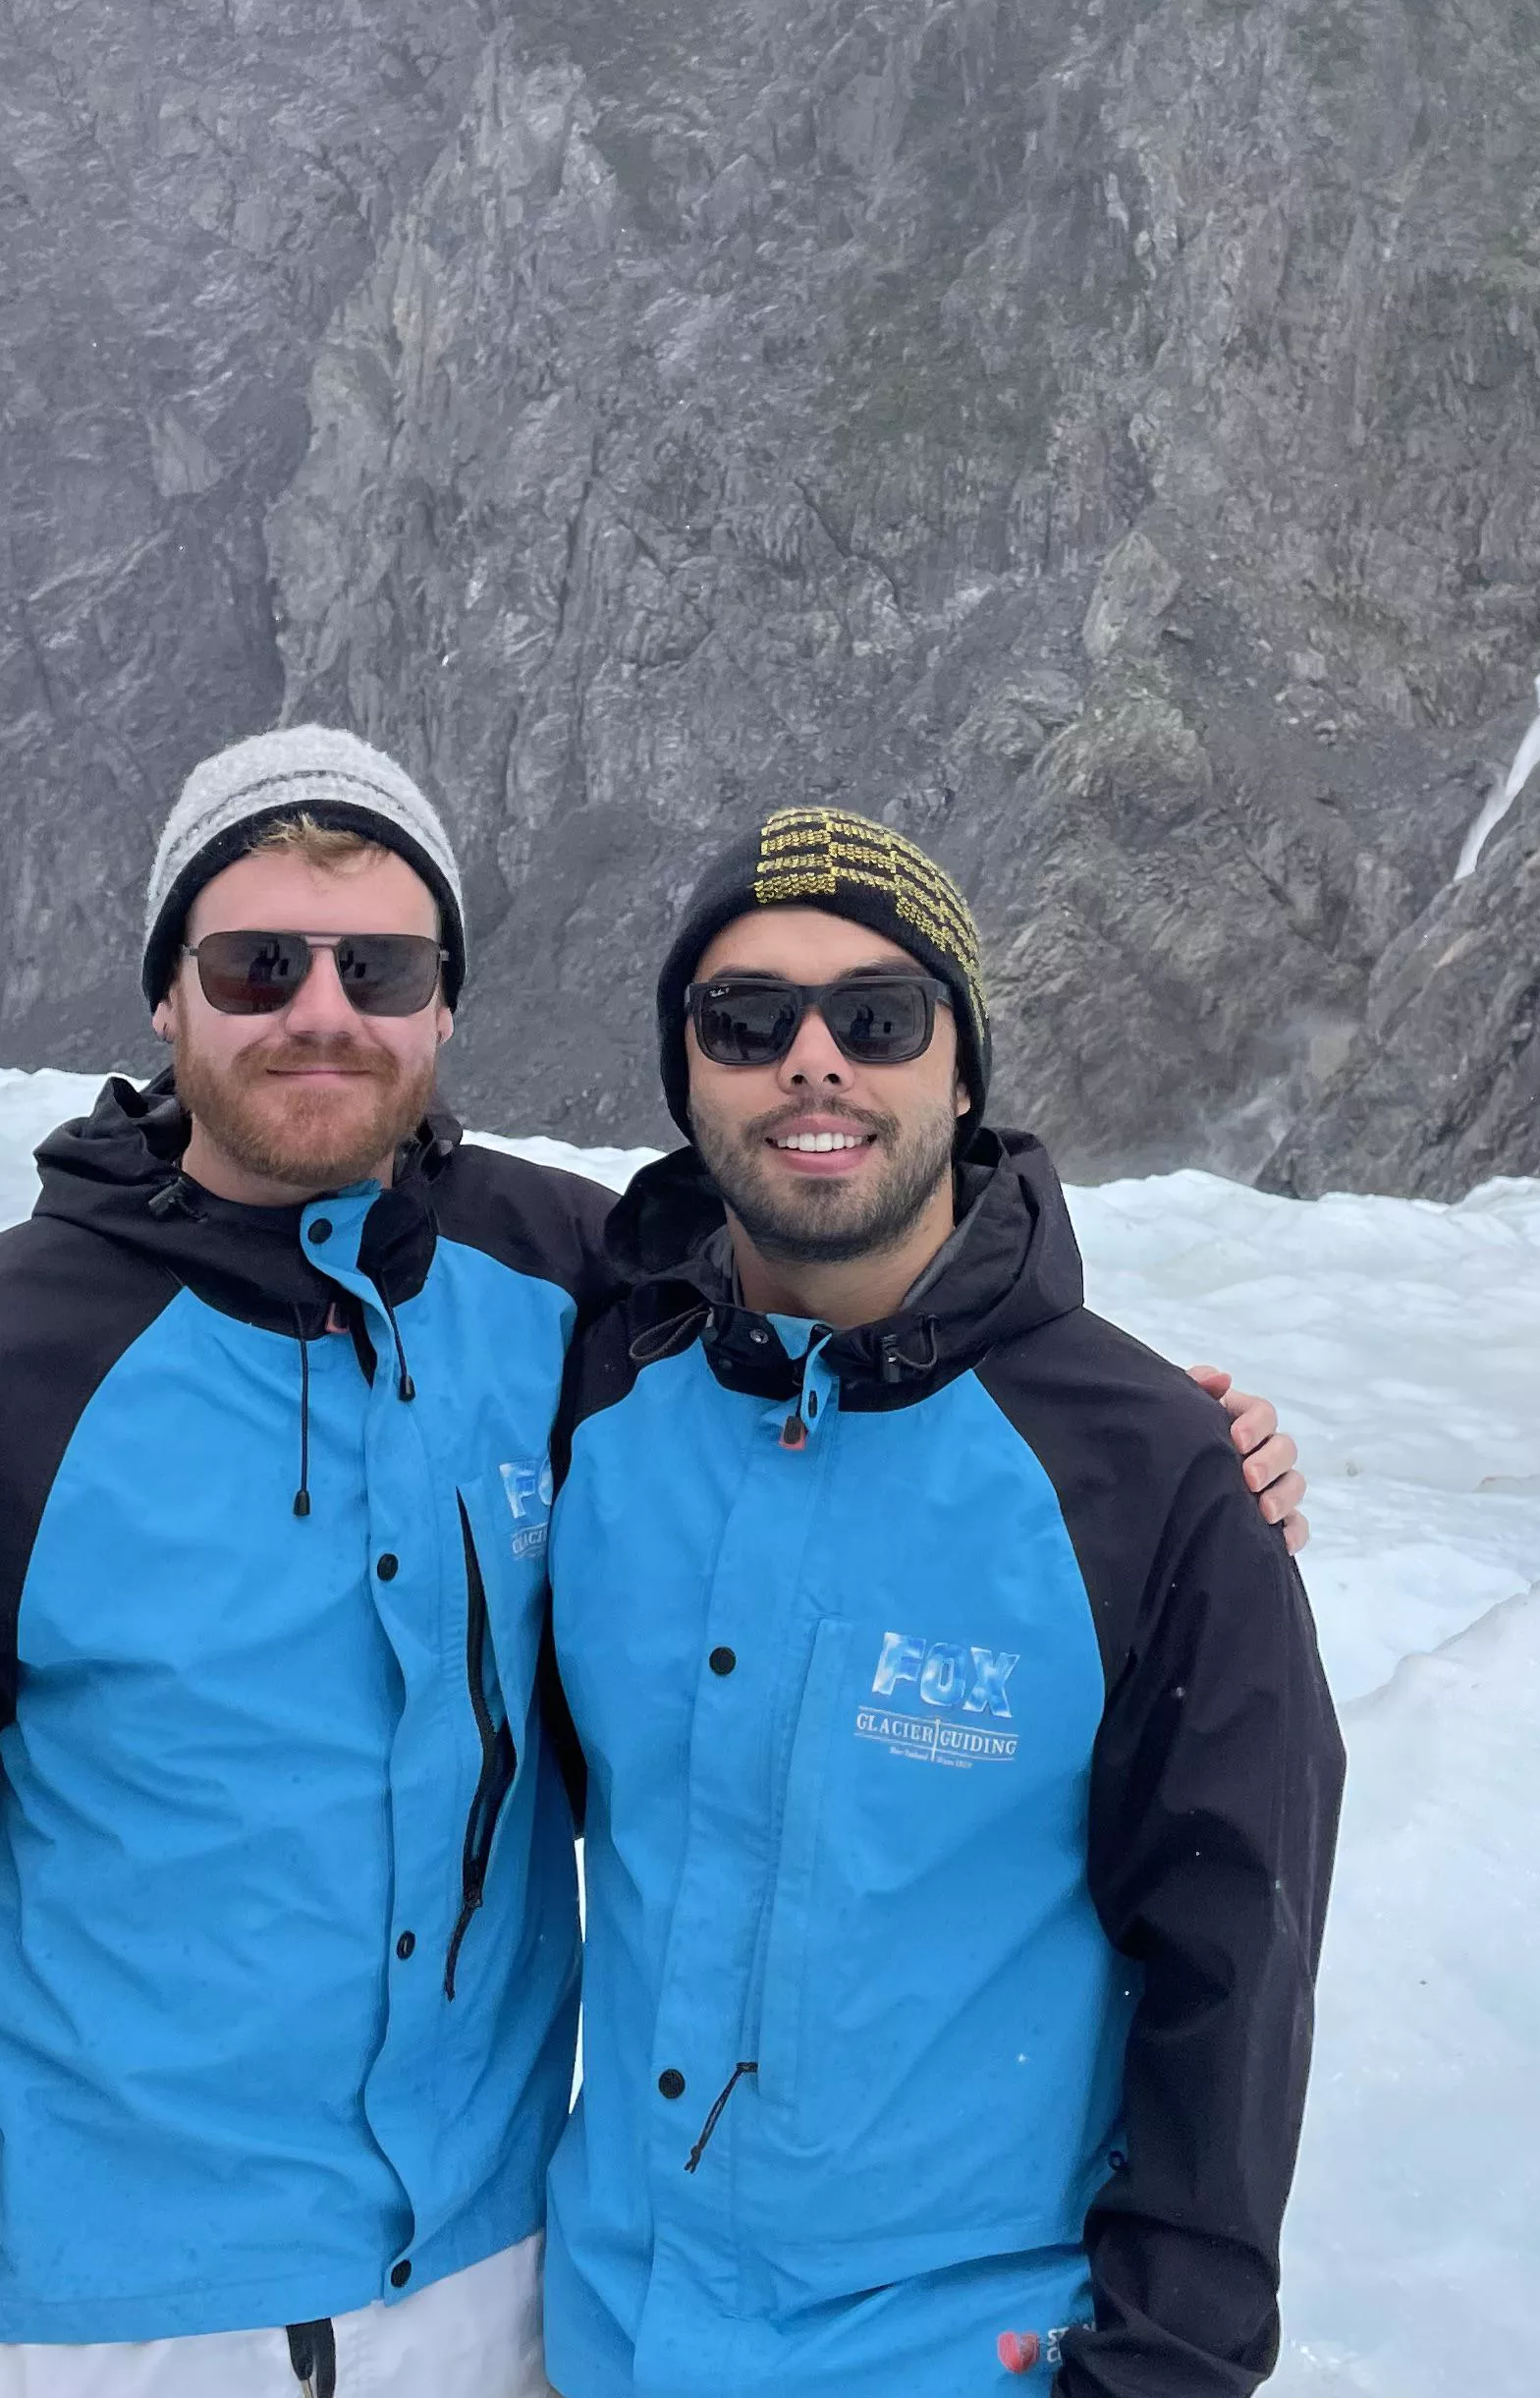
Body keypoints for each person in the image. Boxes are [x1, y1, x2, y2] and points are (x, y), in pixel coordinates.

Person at [0, 731, 1303, 2398]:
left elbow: (871, 1312)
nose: (321, 1009)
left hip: (497, 2297)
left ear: (443, 1005)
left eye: (378, 966)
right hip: (102, 2317)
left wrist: (1163, 1450)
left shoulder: (566, 1292)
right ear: (167, 998)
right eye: (257, 964)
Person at [543, 807, 1347, 2398]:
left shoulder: (1148, 1477)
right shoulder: (600, 1403)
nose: (814, 1060)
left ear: (961, 1070)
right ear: (686, 1075)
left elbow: (1232, 1981)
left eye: (882, 1015)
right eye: (747, 1019)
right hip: (598, 2339)